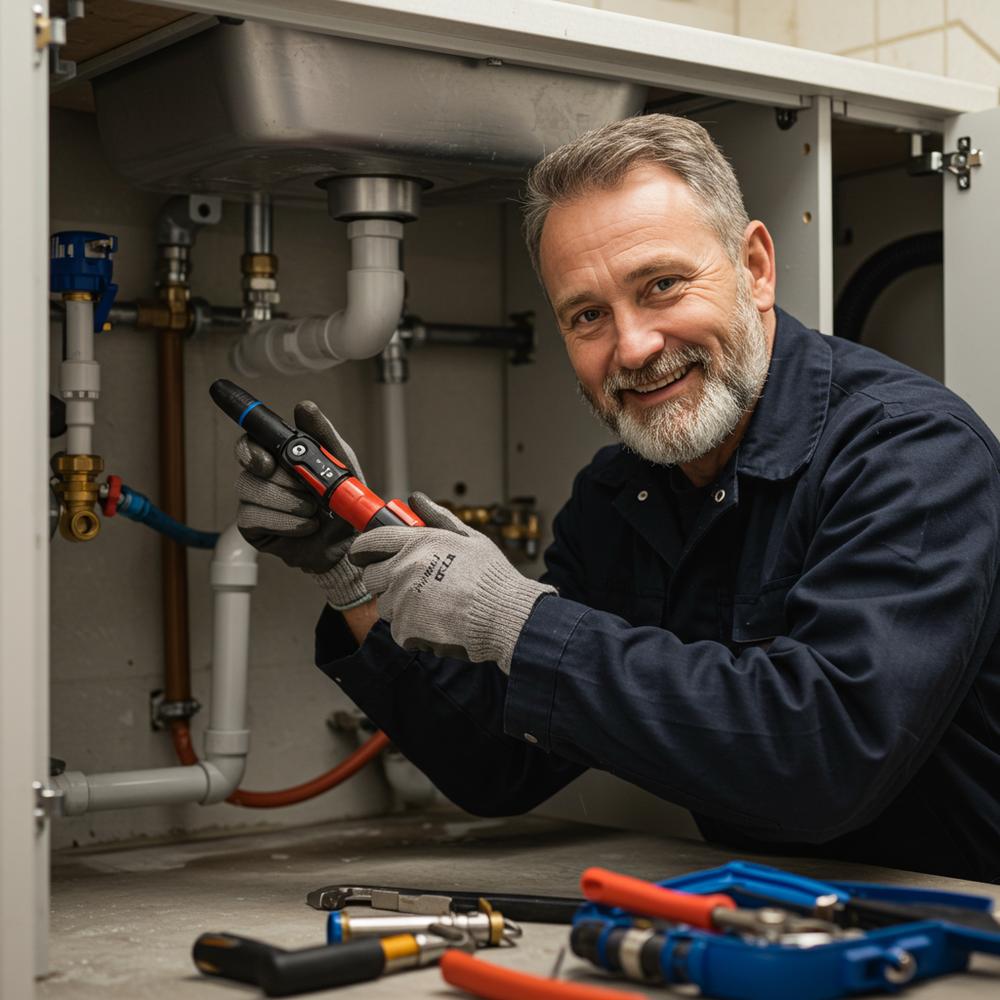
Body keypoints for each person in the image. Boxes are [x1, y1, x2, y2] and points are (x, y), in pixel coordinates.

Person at [234, 115, 1000, 882]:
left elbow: (827, 758)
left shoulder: (911, 453)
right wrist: (355, 577)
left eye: (661, 285)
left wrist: (516, 618)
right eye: (588, 315)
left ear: (756, 268)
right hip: (768, 919)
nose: (632, 347)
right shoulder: (619, 495)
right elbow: (500, 765)